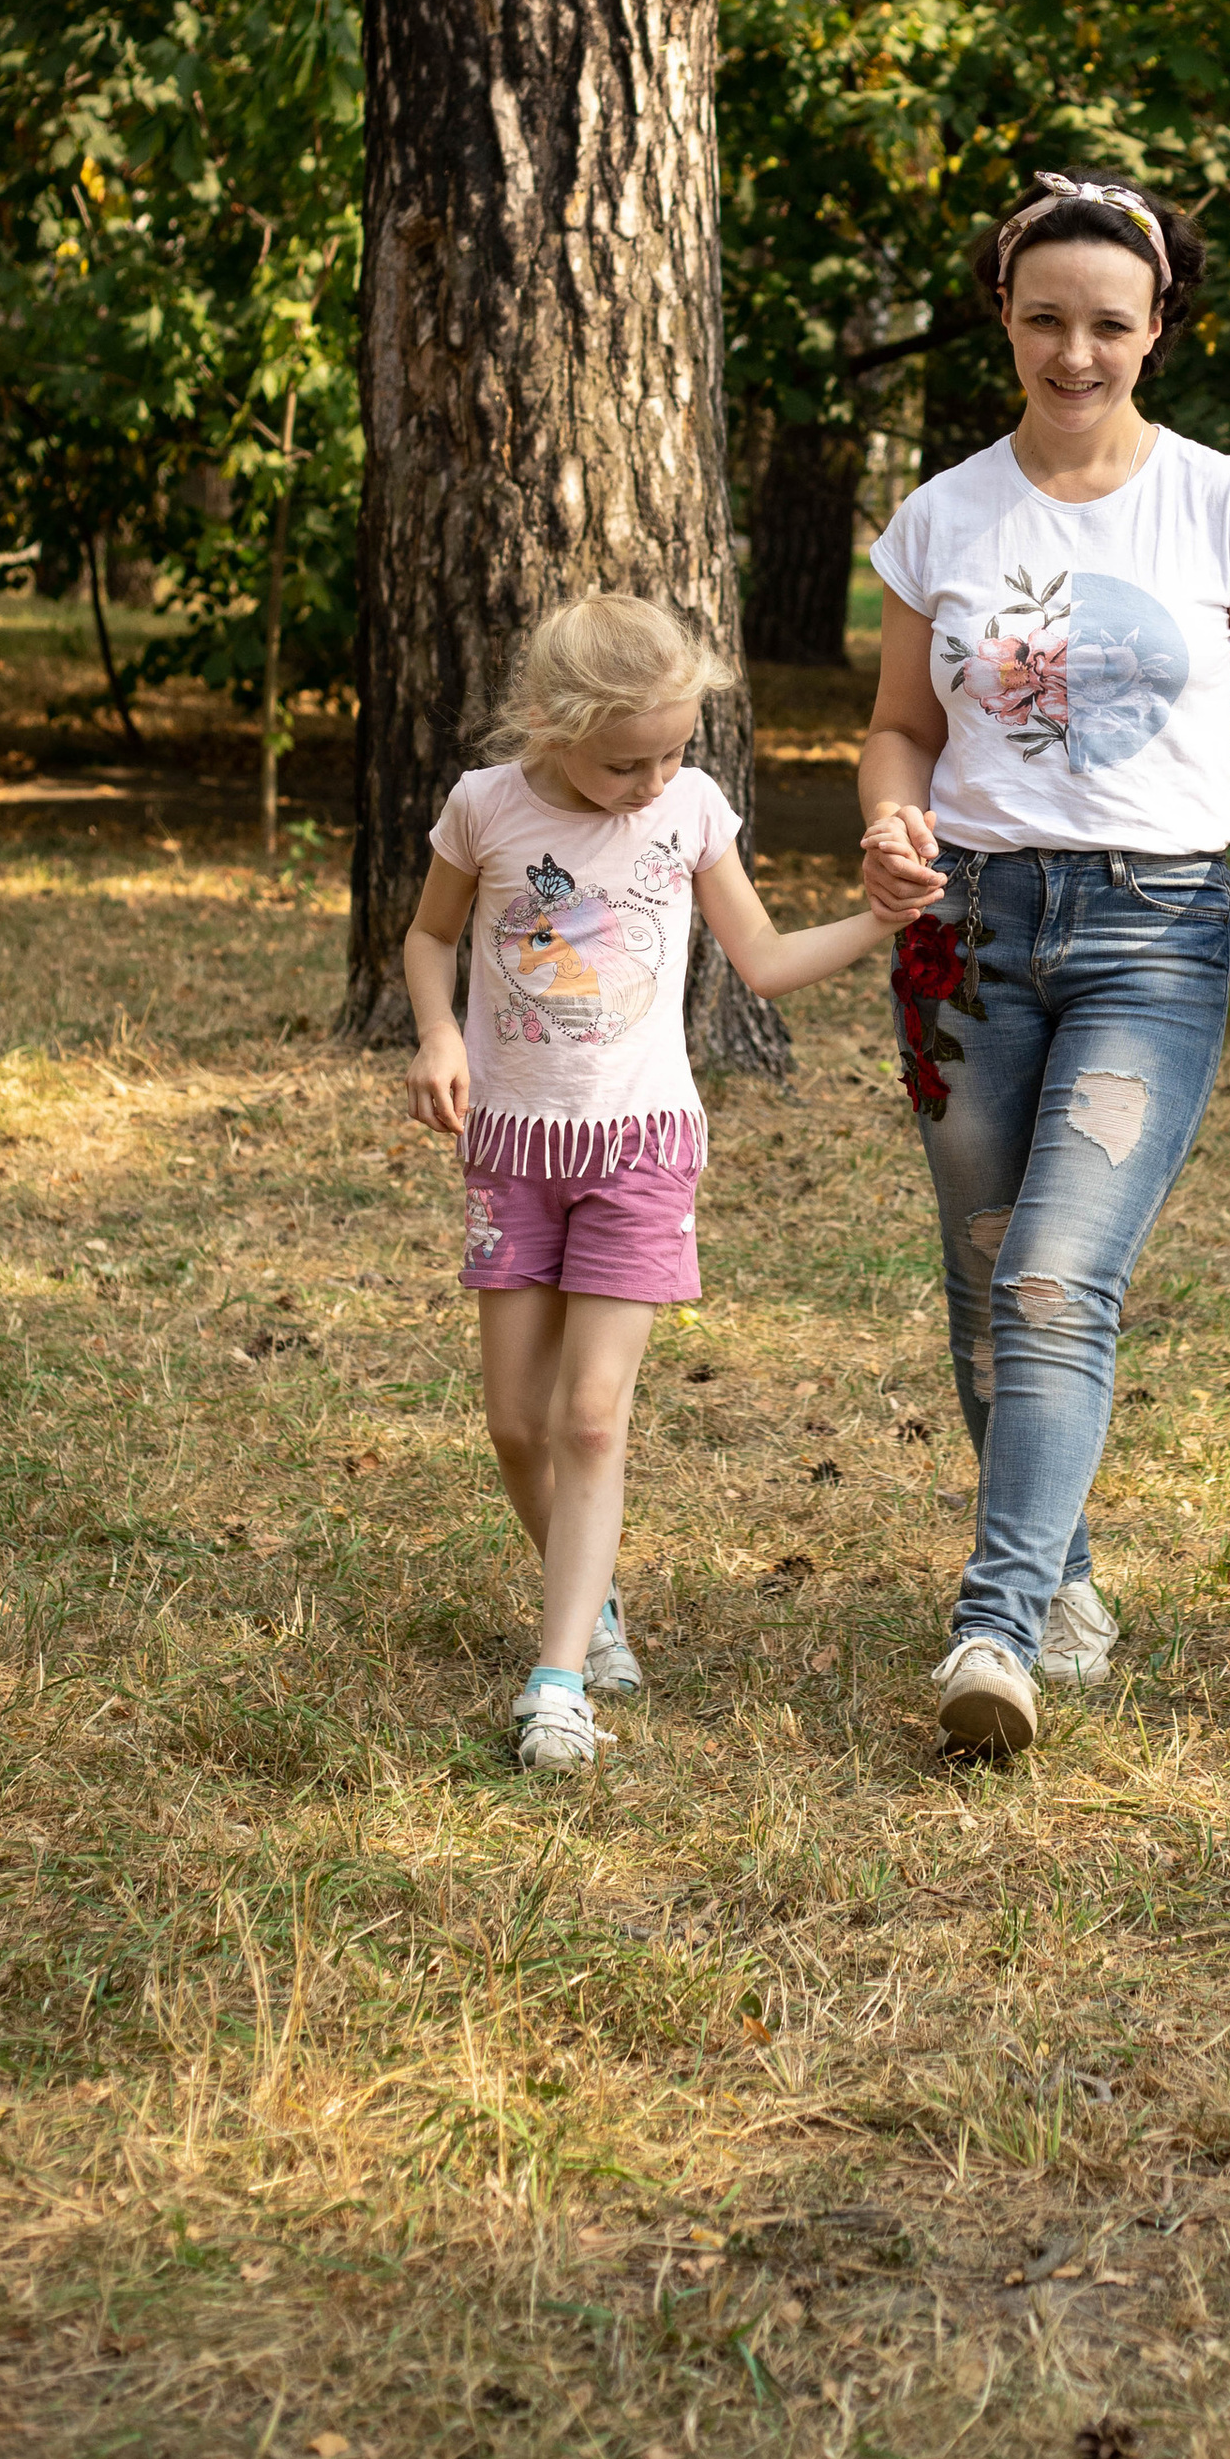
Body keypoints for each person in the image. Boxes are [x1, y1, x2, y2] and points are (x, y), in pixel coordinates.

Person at [856, 169, 1230, 1756]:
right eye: (1046, 320)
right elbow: (901, 728)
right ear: (1005, 315)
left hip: (1155, 929)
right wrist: (887, 822)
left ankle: (992, 1624)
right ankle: (1057, 1575)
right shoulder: (942, 515)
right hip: (967, 937)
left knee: (1063, 1275)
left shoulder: (1219, 500)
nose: (1077, 354)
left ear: (1161, 331)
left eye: (1110, 326)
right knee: (991, 1276)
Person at [405, 594, 889, 1773]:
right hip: (514, 1151)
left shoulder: (688, 813)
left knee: (589, 1416)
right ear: (552, 725)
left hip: (637, 1147)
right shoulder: (485, 809)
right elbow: (428, 939)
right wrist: (437, 1035)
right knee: (517, 1426)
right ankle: (595, 1599)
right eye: (628, 760)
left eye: (676, 751)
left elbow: (764, 961)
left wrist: (877, 919)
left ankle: (559, 1677)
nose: (653, 777)